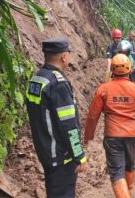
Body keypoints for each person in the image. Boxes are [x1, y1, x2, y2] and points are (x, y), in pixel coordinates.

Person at [84, 54, 135, 198]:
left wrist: (88, 135)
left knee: (117, 172)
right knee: (130, 165)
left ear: (112, 69)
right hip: (132, 136)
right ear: (129, 70)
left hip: (112, 137)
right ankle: (129, 190)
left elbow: (93, 116)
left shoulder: (103, 89)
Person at [26, 37, 87, 198]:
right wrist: (79, 156)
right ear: (64, 56)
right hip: (60, 157)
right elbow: (68, 126)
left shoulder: (37, 79)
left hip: (45, 151)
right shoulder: (58, 84)